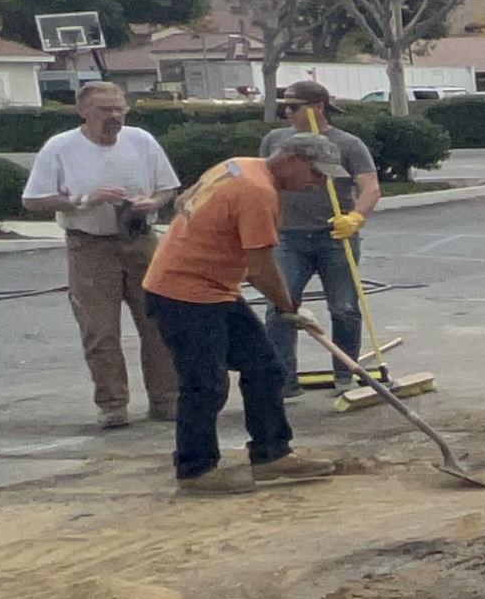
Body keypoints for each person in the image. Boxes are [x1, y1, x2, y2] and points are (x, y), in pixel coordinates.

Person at [142, 134, 348, 494]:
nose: (318, 183)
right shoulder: (257, 192)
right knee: (204, 384)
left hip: (215, 289)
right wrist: (288, 308)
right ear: (290, 159)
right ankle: (196, 471)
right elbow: (260, 267)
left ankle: (272, 455)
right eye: (315, 174)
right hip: (183, 293)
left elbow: (182, 201)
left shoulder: (237, 166)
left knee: (264, 367)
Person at [21, 81, 184, 428]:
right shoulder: (61, 147)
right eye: (104, 110)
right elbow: (33, 199)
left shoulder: (141, 141)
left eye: (119, 109)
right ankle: (112, 403)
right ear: (83, 111)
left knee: (159, 322)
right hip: (90, 244)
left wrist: (153, 202)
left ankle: (166, 398)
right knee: (100, 329)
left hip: (140, 240)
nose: (114, 116)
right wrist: (83, 200)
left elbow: (168, 186)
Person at [259, 81, 379, 392]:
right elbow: (261, 180)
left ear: (318, 108)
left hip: (334, 237)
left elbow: (370, 187)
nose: (287, 112)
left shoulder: (348, 144)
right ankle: (283, 379)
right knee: (280, 307)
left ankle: (344, 376)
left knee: (344, 307)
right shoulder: (275, 140)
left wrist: (355, 218)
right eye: (285, 106)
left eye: (294, 106)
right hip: (287, 237)